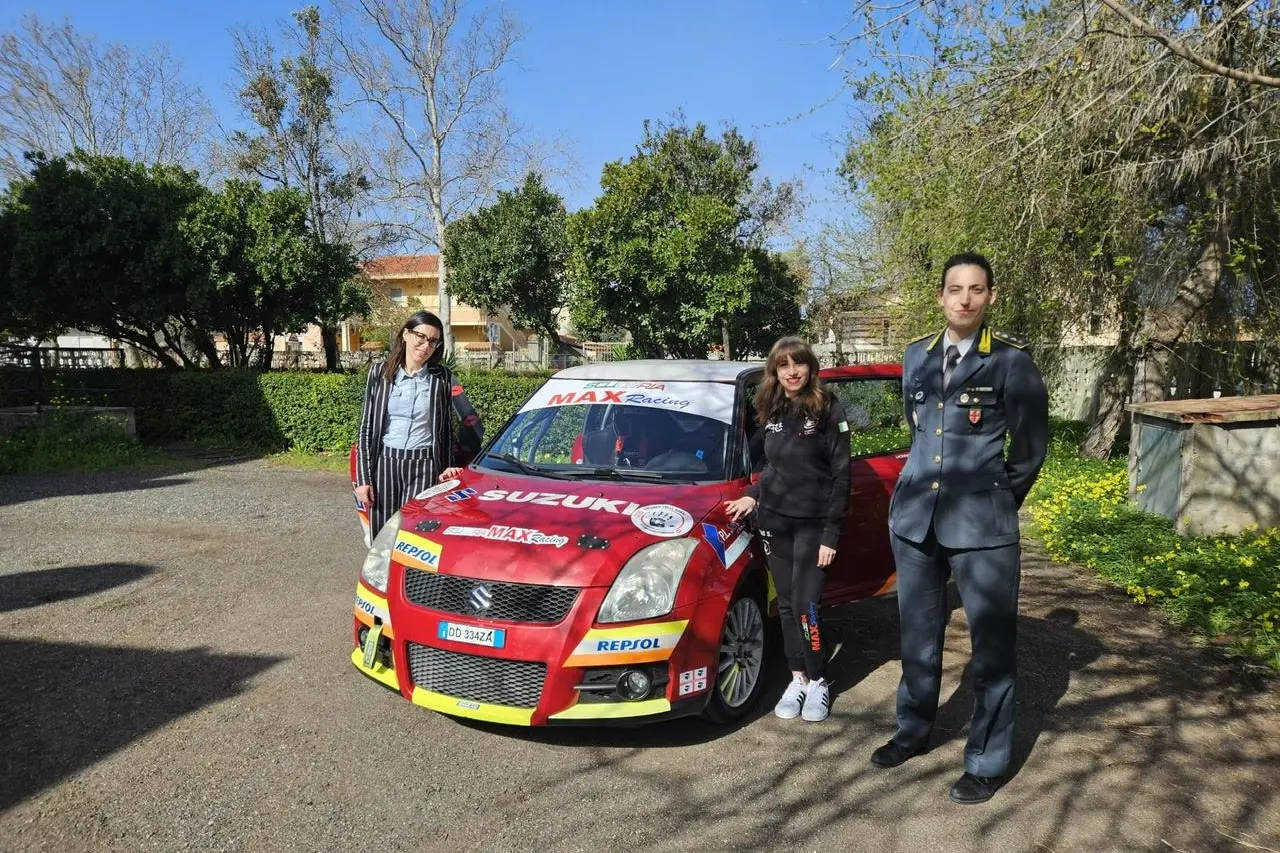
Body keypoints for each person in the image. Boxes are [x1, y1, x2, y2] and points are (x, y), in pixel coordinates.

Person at [871, 253, 1048, 804]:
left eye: (976, 289)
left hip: (983, 528)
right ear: (941, 297)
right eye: (955, 289)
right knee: (917, 639)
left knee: (992, 649)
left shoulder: (1012, 363)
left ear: (990, 297)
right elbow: (919, 430)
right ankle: (914, 729)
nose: (965, 298)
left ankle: (987, 761)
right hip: (916, 521)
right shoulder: (915, 357)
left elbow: (1031, 450)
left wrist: (994, 498)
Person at [725, 337, 851, 723]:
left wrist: (832, 534)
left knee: (807, 606)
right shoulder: (771, 409)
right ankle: (796, 678)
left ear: (810, 368)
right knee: (784, 603)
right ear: (775, 372)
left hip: (814, 527)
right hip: (775, 523)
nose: (791, 372)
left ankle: (818, 680)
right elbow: (776, 469)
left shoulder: (828, 408)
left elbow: (842, 475)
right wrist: (752, 495)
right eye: (783, 366)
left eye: (798, 364)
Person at [354, 311, 483, 538]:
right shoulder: (380, 373)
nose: (426, 345)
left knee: (415, 533)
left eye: (433, 341)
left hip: (424, 466)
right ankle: (380, 575)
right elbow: (366, 427)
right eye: (421, 337)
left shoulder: (442, 378)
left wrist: (451, 464)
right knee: (382, 534)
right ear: (406, 334)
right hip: (386, 464)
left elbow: (456, 425)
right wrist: (364, 479)